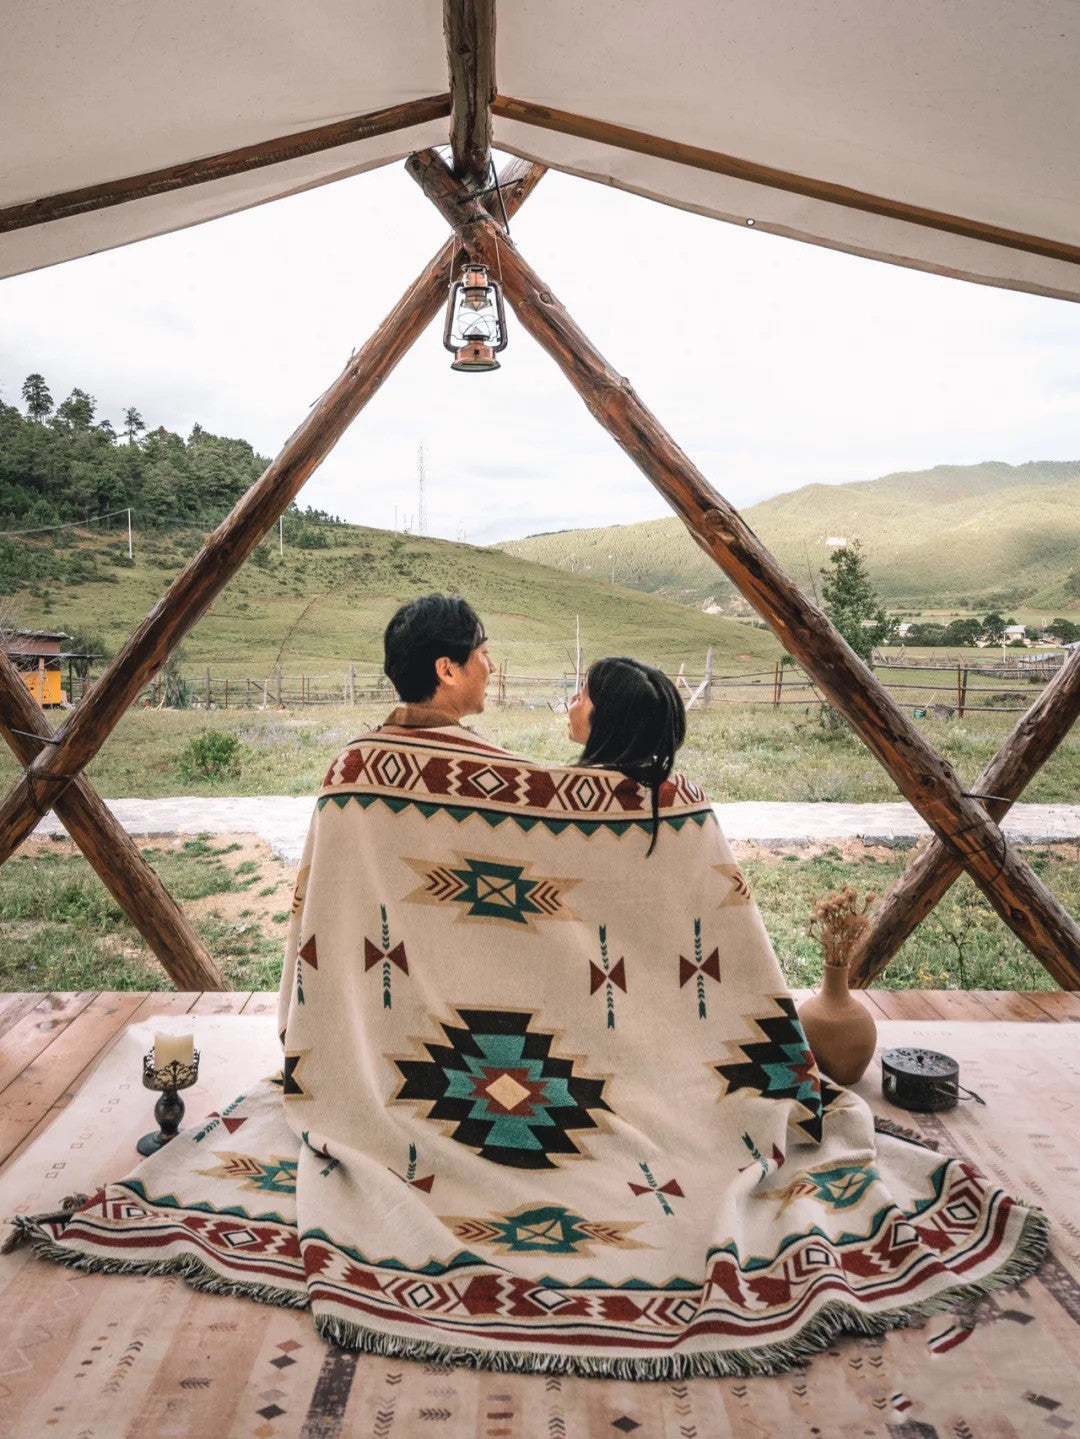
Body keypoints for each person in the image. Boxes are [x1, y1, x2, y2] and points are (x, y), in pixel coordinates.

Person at [15, 595, 1047, 1380]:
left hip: (395, 1083)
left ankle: (380, 1112)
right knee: (687, 1105)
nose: (496, 672)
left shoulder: (353, 771)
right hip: (584, 1097)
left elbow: (340, 933)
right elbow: (579, 887)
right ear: (447, 666)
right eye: (484, 656)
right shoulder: (516, 782)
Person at [568, 656, 686, 855]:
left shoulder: (566, 794)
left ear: (607, 718)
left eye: (581, 697)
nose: (572, 700)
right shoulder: (686, 798)